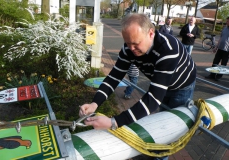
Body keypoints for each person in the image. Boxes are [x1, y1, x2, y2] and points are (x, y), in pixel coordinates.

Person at [79, 13, 196, 160]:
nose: (131, 48)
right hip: (163, 82)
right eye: (127, 43)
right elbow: (113, 77)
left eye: (136, 43)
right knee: (163, 119)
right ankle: (158, 154)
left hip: (182, 86)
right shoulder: (129, 48)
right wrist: (94, 104)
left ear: (151, 33)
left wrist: (113, 122)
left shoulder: (168, 49)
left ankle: (161, 156)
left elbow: (153, 99)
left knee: (172, 127)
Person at [205, 17, 229, 81]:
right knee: (215, 62)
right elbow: (220, 38)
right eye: (227, 21)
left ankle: (218, 77)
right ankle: (212, 75)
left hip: (227, 51)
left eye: (228, 21)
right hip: (220, 49)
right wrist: (216, 47)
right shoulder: (224, 28)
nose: (227, 22)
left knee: (223, 64)